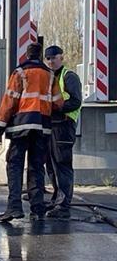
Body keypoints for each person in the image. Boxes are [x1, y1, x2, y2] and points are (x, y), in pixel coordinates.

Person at [0, 42, 63, 222]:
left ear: (26, 55)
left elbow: (9, 102)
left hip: (21, 127)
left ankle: (14, 207)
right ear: (40, 56)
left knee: (15, 165)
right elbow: (58, 103)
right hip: (42, 128)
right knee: (36, 167)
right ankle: (37, 208)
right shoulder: (50, 75)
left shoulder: (20, 73)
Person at [44, 45, 82, 219]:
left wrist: (55, 108)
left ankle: (63, 205)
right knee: (51, 166)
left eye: (54, 57)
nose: (51, 61)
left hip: (64, 126)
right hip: (52, 126)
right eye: (48, 58)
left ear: (62, 57)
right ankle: (56, 199)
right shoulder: (49, 77)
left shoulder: (69, 77)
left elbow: (75, 101)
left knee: (62, 165)